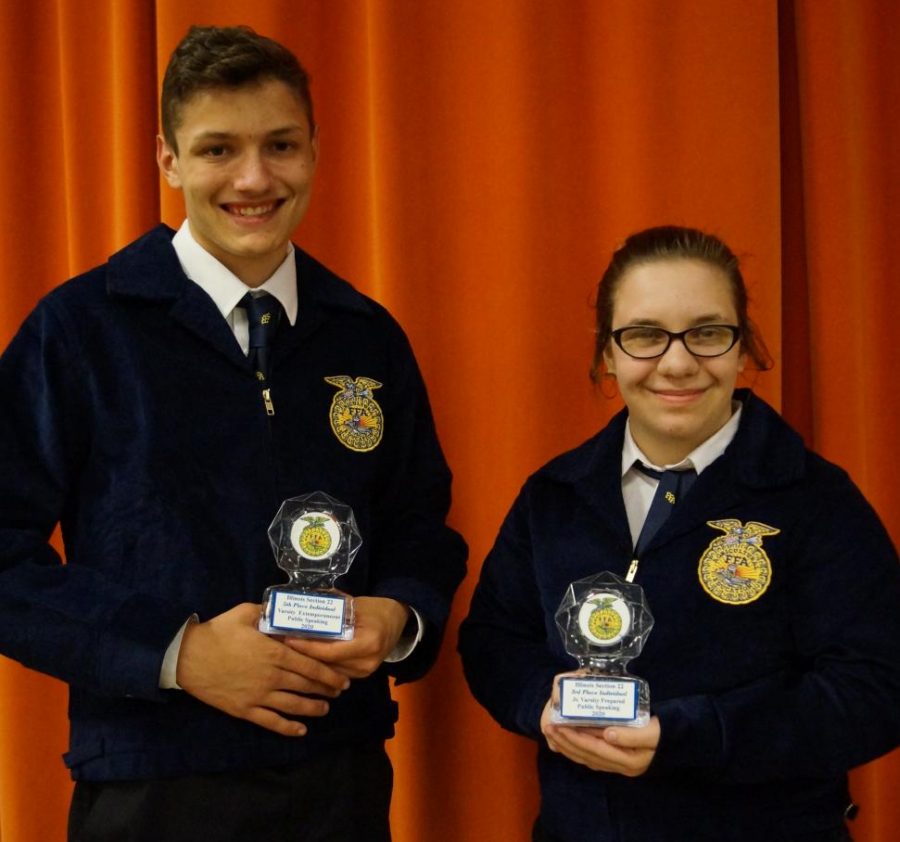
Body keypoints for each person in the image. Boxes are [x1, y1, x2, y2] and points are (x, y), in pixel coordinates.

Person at [0, 24, 466, 842]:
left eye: (280, 144)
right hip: (152, 786)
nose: (254, 178)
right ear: (168, 159)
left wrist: (397, 616)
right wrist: (178, 653)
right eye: (218, 149)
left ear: (315, 151)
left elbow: (420, 524)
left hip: (340, 782)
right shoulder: (79, 332)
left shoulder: (366, 336)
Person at [458, 225, 900, 841]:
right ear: (606, 354)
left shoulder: (816, 501)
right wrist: (541, 699)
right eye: (644, 336)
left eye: (708, 333)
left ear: (743, 348)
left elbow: (876, 690)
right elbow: (492, 640)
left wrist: (690, 734)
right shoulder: (552, 498)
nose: (677, 362)